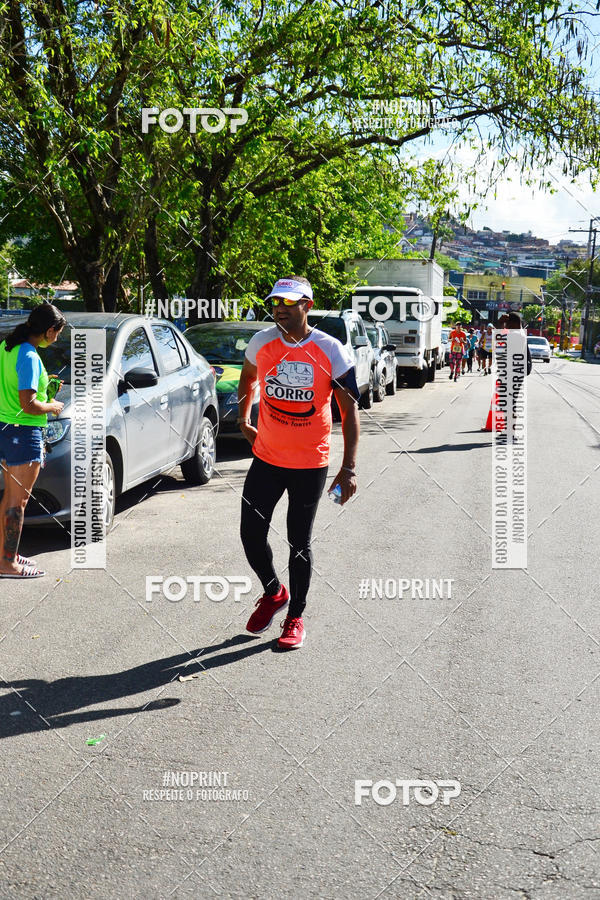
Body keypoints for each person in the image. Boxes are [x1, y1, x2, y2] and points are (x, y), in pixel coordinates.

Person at [237, 276, 360, 650]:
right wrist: (244, 419)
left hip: (310, 463)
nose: (280, 309)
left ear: (307, 304)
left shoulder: (332, 350)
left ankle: (295, 618)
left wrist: (348, 467)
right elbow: (248, 379)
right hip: (267, 458)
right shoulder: (262, 342)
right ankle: (275, 592)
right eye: (275, 302)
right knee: (250, 533)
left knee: (298, 542)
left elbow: (349, 412)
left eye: (289, 303)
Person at [0, 303, 66, 578]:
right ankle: (8, 565)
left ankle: (7, 556)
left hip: (5, 428)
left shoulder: (8, 347)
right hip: (24, 432)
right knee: (19, 502)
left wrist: (44, 387)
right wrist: (52, 406)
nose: (58, 337)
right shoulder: (28, 355)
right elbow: (28, 405)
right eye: (58, 333)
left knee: (9, 498)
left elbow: (16, 389)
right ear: (49, 331)